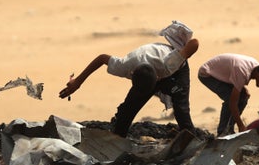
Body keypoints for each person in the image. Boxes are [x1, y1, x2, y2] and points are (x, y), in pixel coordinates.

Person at [59, 20, 199, 137]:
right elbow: (101, 58)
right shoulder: (126, 65)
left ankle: (189, 136)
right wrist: (78, 82)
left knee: (181, 109)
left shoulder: (170, 64)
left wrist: (184, 53)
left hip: (177, 72)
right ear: (131, 76)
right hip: (146, 74)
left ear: (157, 78)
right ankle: (119, 135)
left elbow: (195, 43)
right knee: (126, 113)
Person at [197, 53, 259, 136]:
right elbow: (232, 103)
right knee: (230, 98)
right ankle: (222, 132)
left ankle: (229, 128)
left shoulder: (256, 67)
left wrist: (242, 88)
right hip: (208, 74)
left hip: (223, 75)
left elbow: (236, 76)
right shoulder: (242, 71)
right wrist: (240, 125)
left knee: (243, 96)